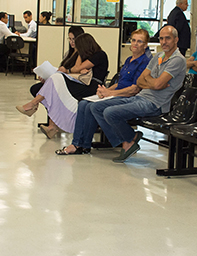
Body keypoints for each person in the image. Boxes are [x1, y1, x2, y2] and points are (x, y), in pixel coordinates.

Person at [56, 26, 186, 162]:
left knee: (109, 112)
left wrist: (151, 82)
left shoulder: (177, 60)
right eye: (161, 38)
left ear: (176, 40)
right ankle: (124, 139)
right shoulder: (159, 56)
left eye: (168, 38)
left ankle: (128, 140)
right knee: (93, 106)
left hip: (154, 103)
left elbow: (146, 85)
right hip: (140, 97)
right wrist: (152, 83)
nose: (164, 41)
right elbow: (143, 81)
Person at [53, 30, 153, 155]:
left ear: (145, 45)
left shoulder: (145, 62)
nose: (135, 44)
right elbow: (120, 83)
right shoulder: (129, 60)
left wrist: (110, 94)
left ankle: (124, 140)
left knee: (92, 106)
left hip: (128, 96)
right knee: (83, 103)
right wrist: (106, 90)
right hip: (118, 92)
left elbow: (134, 89)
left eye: (140, 41)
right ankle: (79, 144)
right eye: (133, 40)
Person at [16, 31, 108, 139]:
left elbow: (76, 68)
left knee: (57, 77)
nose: (73, 45)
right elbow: (75, 69)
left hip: (91, 87)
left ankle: (33, 105)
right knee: (50, 83)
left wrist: (77, 55)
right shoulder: (84, 56)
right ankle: (51, 125)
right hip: (82, 84)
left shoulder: (99, 55)